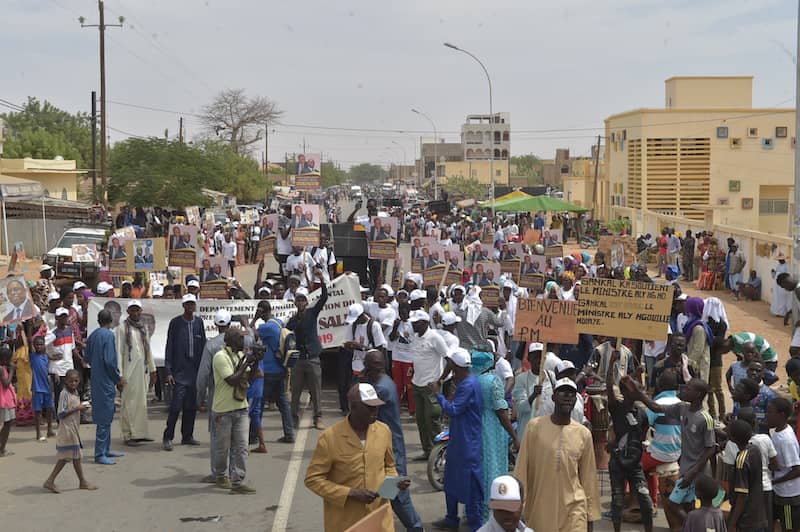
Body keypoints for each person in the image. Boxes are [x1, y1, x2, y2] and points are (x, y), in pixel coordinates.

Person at [304, 383, 407, 532]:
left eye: (376, 406)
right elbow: (312, 479)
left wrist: (393, 484)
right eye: (369, 407)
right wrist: (350, 493)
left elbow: (389, 466)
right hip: (347, 522)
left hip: (379, 520)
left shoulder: (384, 431)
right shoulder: (329, 438)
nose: (375, 411)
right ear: (353, 406)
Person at [628, 377, 717, 531]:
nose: (683, 389)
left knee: (674, 503)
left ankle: (695, 528)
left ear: (698, 394)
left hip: (697, 472)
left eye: (688, 388)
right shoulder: (682, 408)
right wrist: (639, 395)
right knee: (687, 505)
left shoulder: (705, 418)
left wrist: (693, 472)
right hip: (685, 468)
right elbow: (656, 408)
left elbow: (710, 448)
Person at [514, 376, 600, 531]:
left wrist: (590, 516)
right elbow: (521, 469)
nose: (567, 397)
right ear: (553, 397)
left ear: (576, 400)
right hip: (540, 509)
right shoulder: (535, 427)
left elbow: (588, 478)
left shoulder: (583, 434)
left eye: (572, 394)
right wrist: (518, 504)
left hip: (574, 510)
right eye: (563, 392)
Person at [362, 350, 424, 532]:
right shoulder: (382, 382)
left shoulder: (381, 388)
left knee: (396, 492)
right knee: (385, 493)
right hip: (386, 445)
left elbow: (363, 412)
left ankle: (416, 528)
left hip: (390, 448)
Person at [430, 348, 485, 531]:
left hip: (468, 444)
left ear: (456, 366)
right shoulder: (464, 381)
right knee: (451, 481)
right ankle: (451, 519)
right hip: (459, 441)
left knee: (471, 487)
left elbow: (453, 410)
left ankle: (475, 524)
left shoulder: (468, 385)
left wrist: (438, 393)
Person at [606, 352, 654, 532]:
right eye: (636, 388)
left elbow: (641, 436)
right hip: (618, 462)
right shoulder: (616, 408)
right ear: (627, 392)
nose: (640, 390)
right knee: (617, 500)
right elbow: (609, 386)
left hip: (635, 464)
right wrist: (611, 363)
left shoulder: (641, 414)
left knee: (646, 501)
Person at [472, 350, 520, 520]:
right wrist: (514, 435)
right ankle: (491, 510)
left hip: (474, 426)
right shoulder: (493, 381)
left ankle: (476, 509)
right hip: (492, 427)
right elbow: (501, 412)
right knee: (493, 465)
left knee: (479, 467)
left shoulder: (469, 380)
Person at [211, 329, 257, 494]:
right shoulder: (220, 357)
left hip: (241, 408)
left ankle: (237, 481)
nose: (243, 342)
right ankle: (221, 475)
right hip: (223, 410)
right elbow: (231, 380)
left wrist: (255, 362)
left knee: (241, 447)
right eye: (240, 339)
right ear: (230, 341)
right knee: (223, 448)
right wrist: (246, 363)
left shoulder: (239, 356)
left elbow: (248, 380)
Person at [163, 294, 206, 451]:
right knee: (175, 407)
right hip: (179, 373)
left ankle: (187, 436)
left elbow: (203, 345)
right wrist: (168, 371)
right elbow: (169, 347)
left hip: (194, 371)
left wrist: (204, 370)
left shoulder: (199, 322)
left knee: (191, 406)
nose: (190, 307)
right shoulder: (175, 323)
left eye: (192, 304)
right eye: (187, 304)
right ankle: (168, 437)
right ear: (183, 306)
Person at [43, 368, 96, 492]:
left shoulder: (75, 392)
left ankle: (81, 481)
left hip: (73, 428)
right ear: (66, 381)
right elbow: (60, 413)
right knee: (67, 457)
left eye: (76, 381)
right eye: (71, 381)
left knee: (73, 456)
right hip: (67, 429)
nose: (73, 383)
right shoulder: (64, 394)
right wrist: (77, 408)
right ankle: (51, 480)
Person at [288, 269, 328, 430]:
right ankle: (293, 419)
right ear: (295, 302)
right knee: (295, 391)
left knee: (315, 391)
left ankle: (318, 417)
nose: (300, 303)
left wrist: (321, 280)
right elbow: (286, 334)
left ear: (307, 301)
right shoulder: (292, 320)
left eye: (303, 300)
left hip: (312, 358)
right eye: (298, 300)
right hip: (298, 359)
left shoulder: (312, 313)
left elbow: (324, 298)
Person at [196, 308, 232, 482]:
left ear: (216, 325)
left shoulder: (211, 345)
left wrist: (200, 399)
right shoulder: (243, 339)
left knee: (217, 437)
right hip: (238, 396)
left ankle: (218, 473)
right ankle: (235, 473)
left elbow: (203, 374)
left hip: (217, 396)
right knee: (236, 437)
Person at [85, 310, 124, 465]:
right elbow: (109, 361)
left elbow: (86, 357)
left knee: (107, 415)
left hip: (96, 379)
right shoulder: (108, 335)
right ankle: (100, 453)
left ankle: (106, 449)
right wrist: (117, 378)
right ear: (111, 320)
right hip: (106, 381)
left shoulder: (93, 335)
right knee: (104, 417)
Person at [115, 300, 156, 446]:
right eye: (133, 310)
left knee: (141, 403)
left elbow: (148, 350)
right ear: (128, 312)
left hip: (142, 371)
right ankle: (128, 435)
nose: (136, 313)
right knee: (128, 403)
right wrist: (119, 375)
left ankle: (140, 433)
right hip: (128, 372)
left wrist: (153, 370)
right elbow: (119, 352)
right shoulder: (121, 329)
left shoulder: (143, 328)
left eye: (138, 310)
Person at [409, 310, 447, 460]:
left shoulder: (435, 338)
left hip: (431, 385)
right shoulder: (415, 337)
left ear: (425, 322)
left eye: (416, 323)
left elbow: (448, 358)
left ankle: (440, 453)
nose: (413, 325)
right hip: (417, 384)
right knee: (421, 420)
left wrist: (440, 380)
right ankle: (427, 451)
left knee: (433, 420)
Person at [255, 301, 295, 445]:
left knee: (258, 404)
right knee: (283, 405)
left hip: (269, 371)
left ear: (261, 311)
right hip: (281, 369)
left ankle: (254, 436)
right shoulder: (278, 322)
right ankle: (289, 434)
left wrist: (254, 319)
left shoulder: (265, 327)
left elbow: (251, 335)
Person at [727, 419, 768, 531]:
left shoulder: (742, 460)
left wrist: (732, 523)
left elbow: (742, 495)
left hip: (747, 519)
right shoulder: (754, 449)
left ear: (732, 438)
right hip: (759, 515)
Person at [767, 397, 800, 532]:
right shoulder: (778, 432)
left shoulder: (786, 440)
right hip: (780, 491)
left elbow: (797, 469)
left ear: (781, 415)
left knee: (789, 528)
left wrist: (774, 481)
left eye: (770, 412)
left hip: (788, 496)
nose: (767, 415)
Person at [30, 335, 54, 441]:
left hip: (47, 387)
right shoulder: (32, 356)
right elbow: (30, 341)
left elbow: (47, 369)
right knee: (38, 412)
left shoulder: (45, 356)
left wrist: (54, 374)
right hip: (37, 388)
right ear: (34, 346)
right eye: (37, 345)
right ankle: (38, 433)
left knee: (49, 409)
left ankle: (50, 430)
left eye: (41, 344)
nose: (39, 346)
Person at [0, 346, 16, 457]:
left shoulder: (3, 367)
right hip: (4, 400)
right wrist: (12, 371)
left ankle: (2, 448)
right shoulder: (1, 368)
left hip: (7, 399)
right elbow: (5, 384)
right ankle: (2, 449)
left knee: (8, 423)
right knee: (7, 424)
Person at [771, 253, 791, 317]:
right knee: (777, 298)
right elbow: (774, 276)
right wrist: (773, 272)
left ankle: (783, 313)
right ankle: (778, 312)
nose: (779, 261)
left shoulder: (787, 266)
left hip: (783, 285)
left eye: (780, 260)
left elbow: (788, 275)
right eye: (778, 260)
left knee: (783, 299)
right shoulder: (778, 266)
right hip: (777, 285)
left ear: (783, 260)